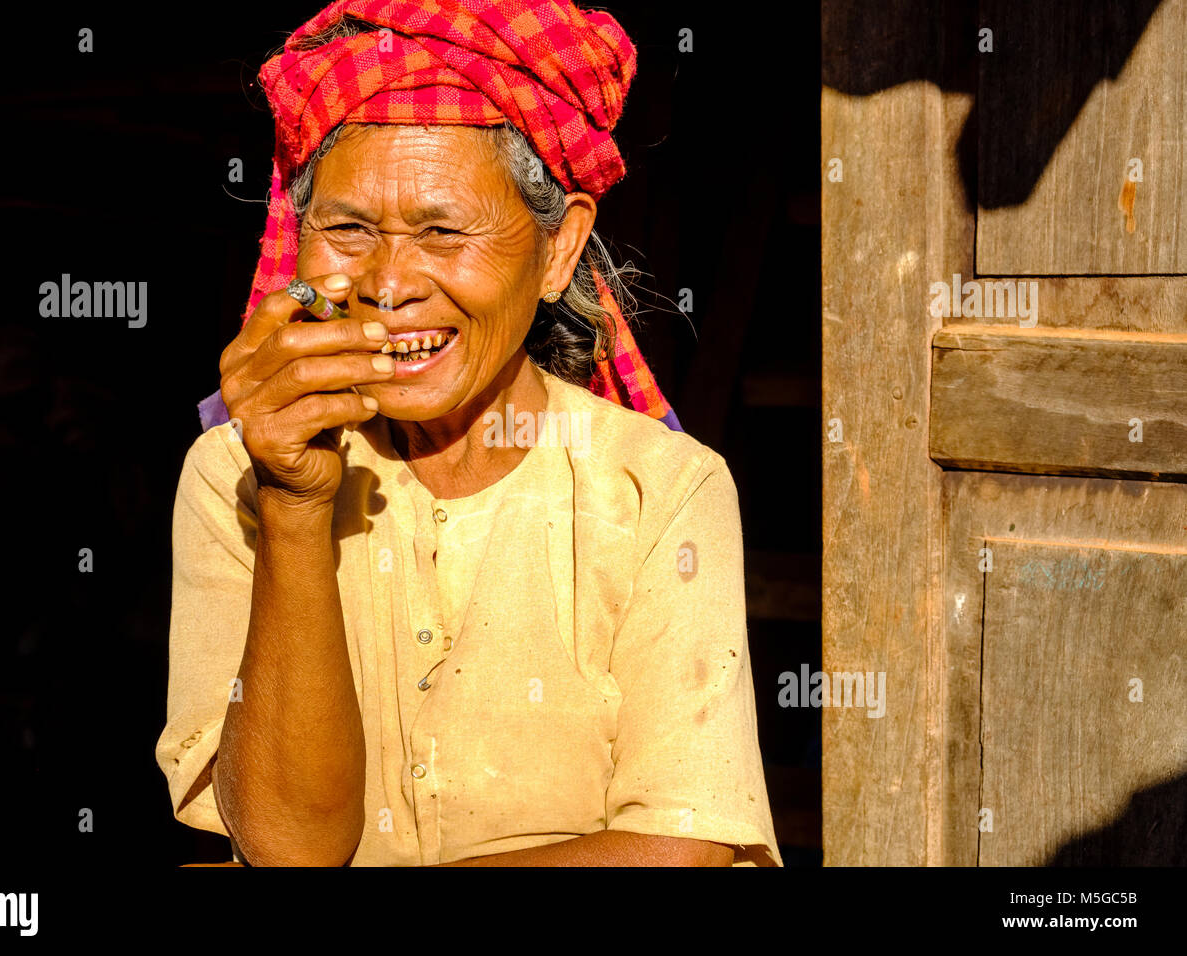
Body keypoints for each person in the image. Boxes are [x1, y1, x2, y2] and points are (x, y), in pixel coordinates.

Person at [156, 0, 781, 867]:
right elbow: (288, 847)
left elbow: (684, 851)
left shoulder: (658, 489)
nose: (388, 283)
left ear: (559, 248)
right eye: (346, 229)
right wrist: (297, 504)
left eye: (443, 231)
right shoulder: (233, 471)